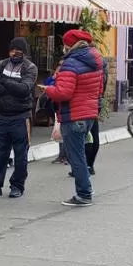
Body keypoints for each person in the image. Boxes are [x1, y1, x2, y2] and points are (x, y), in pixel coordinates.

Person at [44, 29, 103, 207]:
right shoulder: (96, 61)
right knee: (80, 154)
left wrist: (48, 90)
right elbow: (99, 89)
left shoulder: (71, 63)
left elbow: (63, 93)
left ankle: (83, 194)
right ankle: (86, 188)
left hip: (74, 114)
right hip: (89, 113)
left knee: (75, 156)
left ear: (69, 45)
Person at [0, 37, 37, 199]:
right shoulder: (1, 64)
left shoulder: (30, 68)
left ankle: (17, 186)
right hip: (1, 117)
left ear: (24, 52)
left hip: (21, 117)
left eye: (19, 50)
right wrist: (11, 85)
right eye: (12, 49)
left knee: (20, 155)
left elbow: (24, 89)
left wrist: (4, 82)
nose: (15, 53)